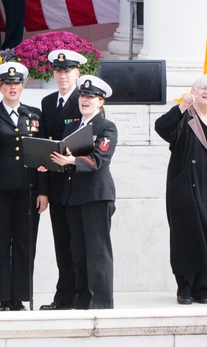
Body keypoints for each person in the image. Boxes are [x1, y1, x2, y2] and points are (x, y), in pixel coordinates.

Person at [48, 75, 117, 310]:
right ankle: (82, 301)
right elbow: (63, 157)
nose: (85, 100)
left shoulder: (106, 127)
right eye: (83, 96)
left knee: (97, 252)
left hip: (96, 196)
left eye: (91, 97)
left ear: (101, 102)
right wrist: (49, 162)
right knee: (79, 253)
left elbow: (99, 160)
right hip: (73, 197)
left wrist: (71, 160)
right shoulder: (72, 125)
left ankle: (101, 303)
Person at [0, 62, 44, 311]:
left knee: (25, 243)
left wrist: (43, 190)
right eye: (7, 84)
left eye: (16, 83)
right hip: (0, 191)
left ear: (23, 86)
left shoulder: (35, 115)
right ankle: (3, 297)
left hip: (28, 190)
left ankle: (19, 296)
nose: (12, 87)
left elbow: (43, 155)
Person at [38, 49, 86, 310]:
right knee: (62, 243)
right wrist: (43, 191)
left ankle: (81, 295)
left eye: (67, 71)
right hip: (56, 183)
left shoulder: (85, 99)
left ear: (77, 73)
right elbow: (44, 148)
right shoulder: (47, 102)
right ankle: (64, 296)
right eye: (58, 71)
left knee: (79, 244)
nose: (62, 75)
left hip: (78, 182)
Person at [154, 74, 207, 304]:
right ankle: (184, 287)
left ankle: (202, 288)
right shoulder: (185, 116)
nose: (206, 91)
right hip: (185, 187)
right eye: (203, 87)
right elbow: (162, 128)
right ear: (193, 91)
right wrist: (181, 107)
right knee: (185, 237)